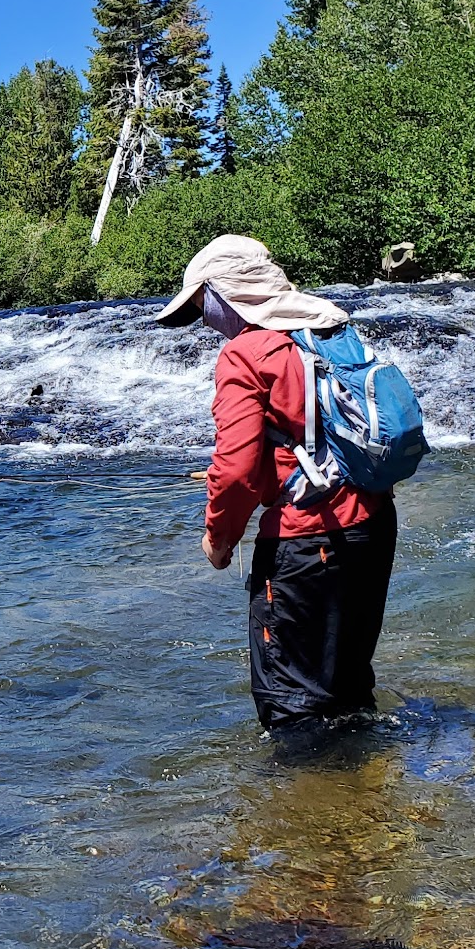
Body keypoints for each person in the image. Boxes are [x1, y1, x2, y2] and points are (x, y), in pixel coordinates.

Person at [155, 235, 397, 734]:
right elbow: (310, 434)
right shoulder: (331, 328)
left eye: (203, 304)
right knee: (348, 684)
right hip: (374, 525)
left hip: (306, 541)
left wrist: (218, 540)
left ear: (224, 293)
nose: (205, 319)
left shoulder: (246, 353)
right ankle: (369, 797)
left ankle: (302, 807)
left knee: (291, 702)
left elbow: (236, 471)